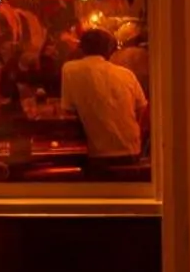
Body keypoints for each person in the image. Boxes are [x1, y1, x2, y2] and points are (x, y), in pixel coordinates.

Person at [62, 27, 148, 174]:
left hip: (96, 155)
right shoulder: (126, 74)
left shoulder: (70, 69)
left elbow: (68, 111)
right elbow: (142, 109)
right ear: (110, 49)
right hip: (132, 151)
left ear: (81, 48)